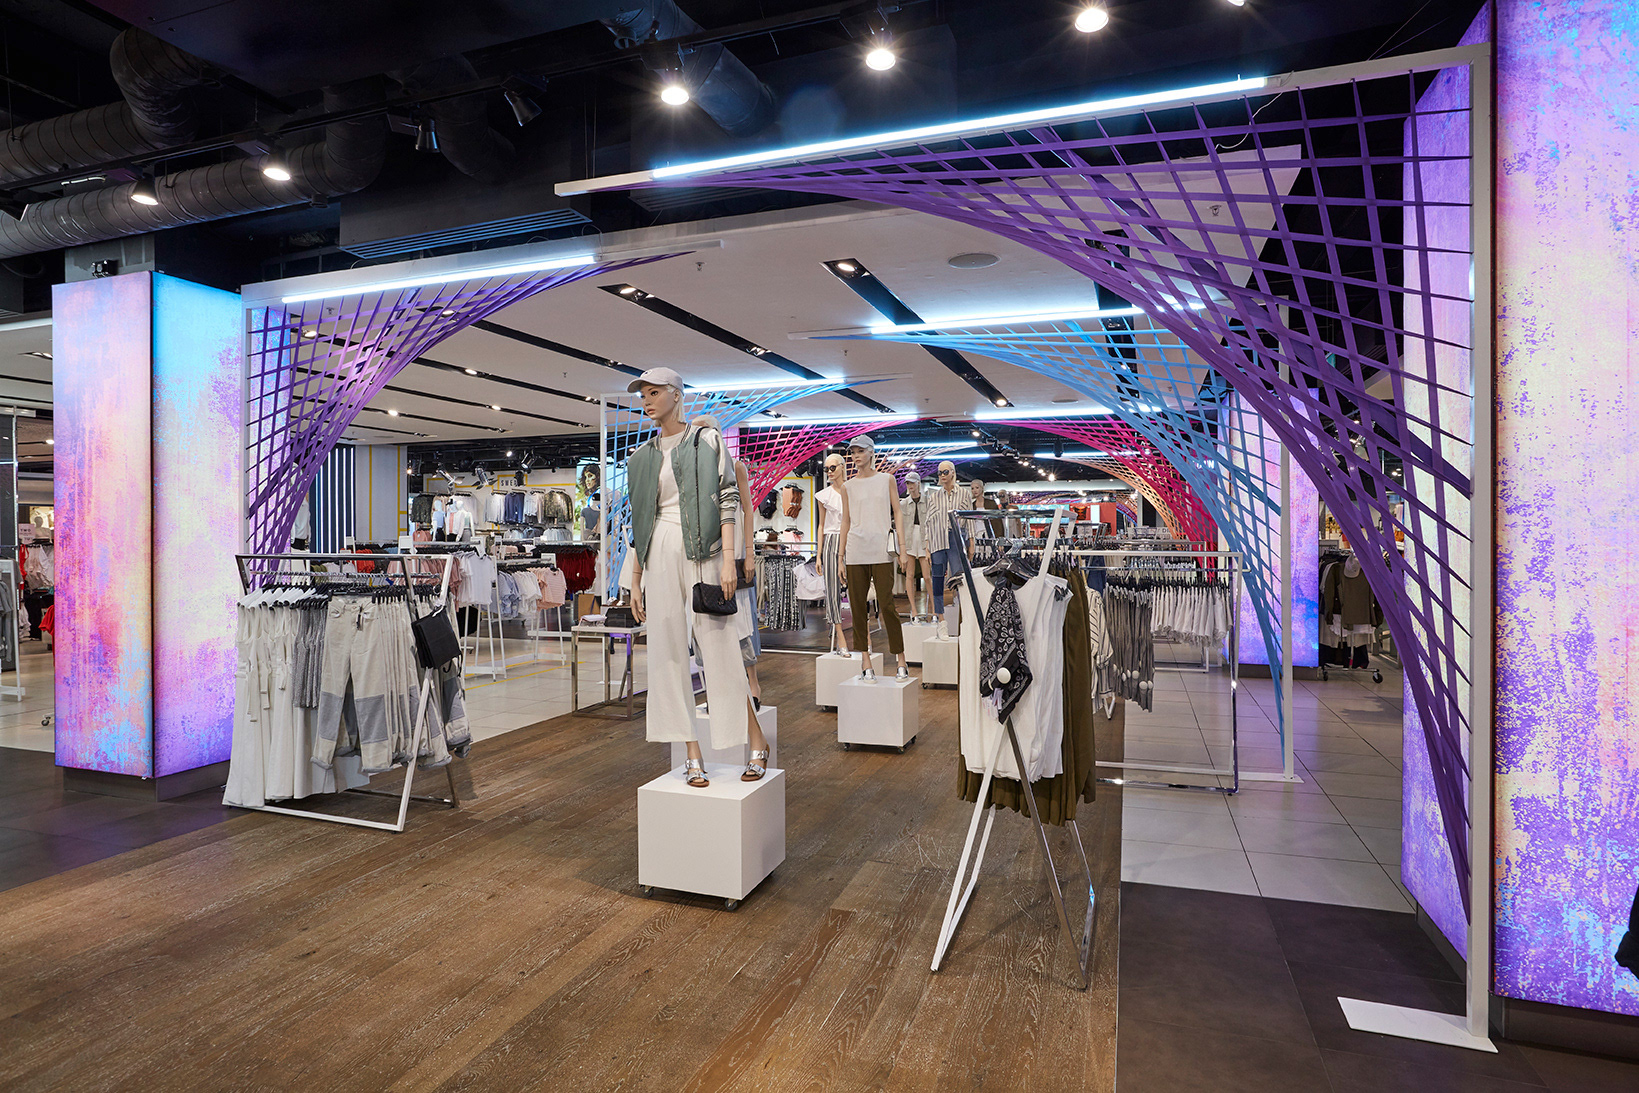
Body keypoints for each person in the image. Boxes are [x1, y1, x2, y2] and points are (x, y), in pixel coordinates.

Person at [625, 369, 770, 789]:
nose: (647, 400)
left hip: (703, 551)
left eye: (654, 392)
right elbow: (640, 519)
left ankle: (755, 740)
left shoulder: (706, 441)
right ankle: (692, 751)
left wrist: (729, 559)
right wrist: (635, 578)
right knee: (667, 653)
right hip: (659, 552)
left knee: (720, 649)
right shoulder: (641, 457)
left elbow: (728, 496)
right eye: (643, 394)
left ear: (676, 395)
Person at [841, 434, 909, 681]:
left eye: (860, 451)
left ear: (871, 452)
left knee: (887, 605)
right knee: (858, 607)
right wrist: (840, 556)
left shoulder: (886, 480)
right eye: (853, 452)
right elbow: (845, 521)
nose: (856, 456)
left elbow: (897, 513)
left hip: (881, 549)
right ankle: (865, 660)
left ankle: (900, 658)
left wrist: (902, 548)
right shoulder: (847, 487)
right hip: (855, 551)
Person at [814, 452, 851, 654]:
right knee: (832, 589)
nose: (829, 472)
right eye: (826, 468)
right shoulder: (823, 496)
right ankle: (840, 636)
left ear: (842, 467)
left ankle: (865, 635)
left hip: (851, 539)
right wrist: (818, 555)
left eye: (832, 468)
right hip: (831, 540)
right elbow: (821, 525)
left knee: (857, 587)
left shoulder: (852, 490)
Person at [924, 461, 962, 617]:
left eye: (945, 472)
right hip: (938, 540)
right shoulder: (934, 497)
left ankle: (963, 614)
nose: (942, 475)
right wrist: (927, 547)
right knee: (937, 579)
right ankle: (940, 617)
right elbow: (928, 522)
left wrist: (971, 542)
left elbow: (969, 521)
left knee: (960, 578)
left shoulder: (964, 494)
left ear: (952, 472)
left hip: (956, 538)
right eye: (939, 473)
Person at [899, 470, 932, 619]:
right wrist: (901, 550)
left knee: (927, 576)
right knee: (909, 575)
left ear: (918, 483)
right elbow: (900, 526)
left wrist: (930, 544)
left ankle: (933, 608)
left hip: (924, 539)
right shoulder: (903, 503)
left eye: (912, 482)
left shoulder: (928, 501)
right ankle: (913, 610)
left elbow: (931, 524)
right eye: (908, 483)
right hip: (909, 540)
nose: (910, 485)